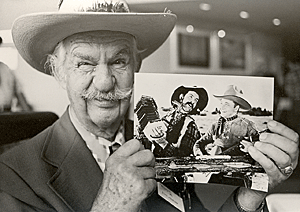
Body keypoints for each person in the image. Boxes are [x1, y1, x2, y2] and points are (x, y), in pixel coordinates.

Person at [0, 0, 298, 212]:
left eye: (119, 61)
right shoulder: (12, 174)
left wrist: (249, 197)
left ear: (137, 67)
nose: (104, 82)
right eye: (84, 63)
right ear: (58, 72)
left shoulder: (161, 142)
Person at [138, 86, 208, 157]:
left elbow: (183, 157)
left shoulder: (191, 125)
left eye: (196, 100)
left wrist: (162, 142)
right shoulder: (166, 118)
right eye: (190, 97)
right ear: (181, 97)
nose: (193, 102)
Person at [194, 85, 259, 156]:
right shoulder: (215, 126)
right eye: (221, 103)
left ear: (236, 108)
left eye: (226, 104)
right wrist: (203, 150)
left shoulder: (247, 125)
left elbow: (259, 143)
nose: (221, 107)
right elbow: (199, 144)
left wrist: (250, 147)